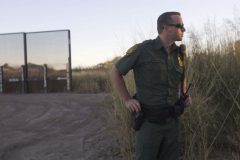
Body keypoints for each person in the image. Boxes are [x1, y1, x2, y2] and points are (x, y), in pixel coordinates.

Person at [110, 11, 191, 160]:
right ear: (166, 28)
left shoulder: (179, 53)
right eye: (180, 25)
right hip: (150, 123)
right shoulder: (143, 50)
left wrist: (184, 93)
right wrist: (127, 99)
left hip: (173, 121)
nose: (184, 29)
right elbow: (116, 71)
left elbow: (181, 78)